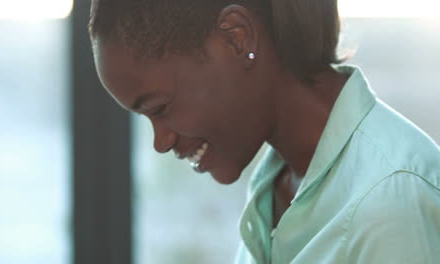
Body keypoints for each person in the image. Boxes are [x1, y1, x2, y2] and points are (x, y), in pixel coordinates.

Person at [88, 0, 440, 263]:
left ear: (236, 39)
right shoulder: (275, 186)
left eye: (160, 108)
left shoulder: (390, 200)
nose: (160, 142)